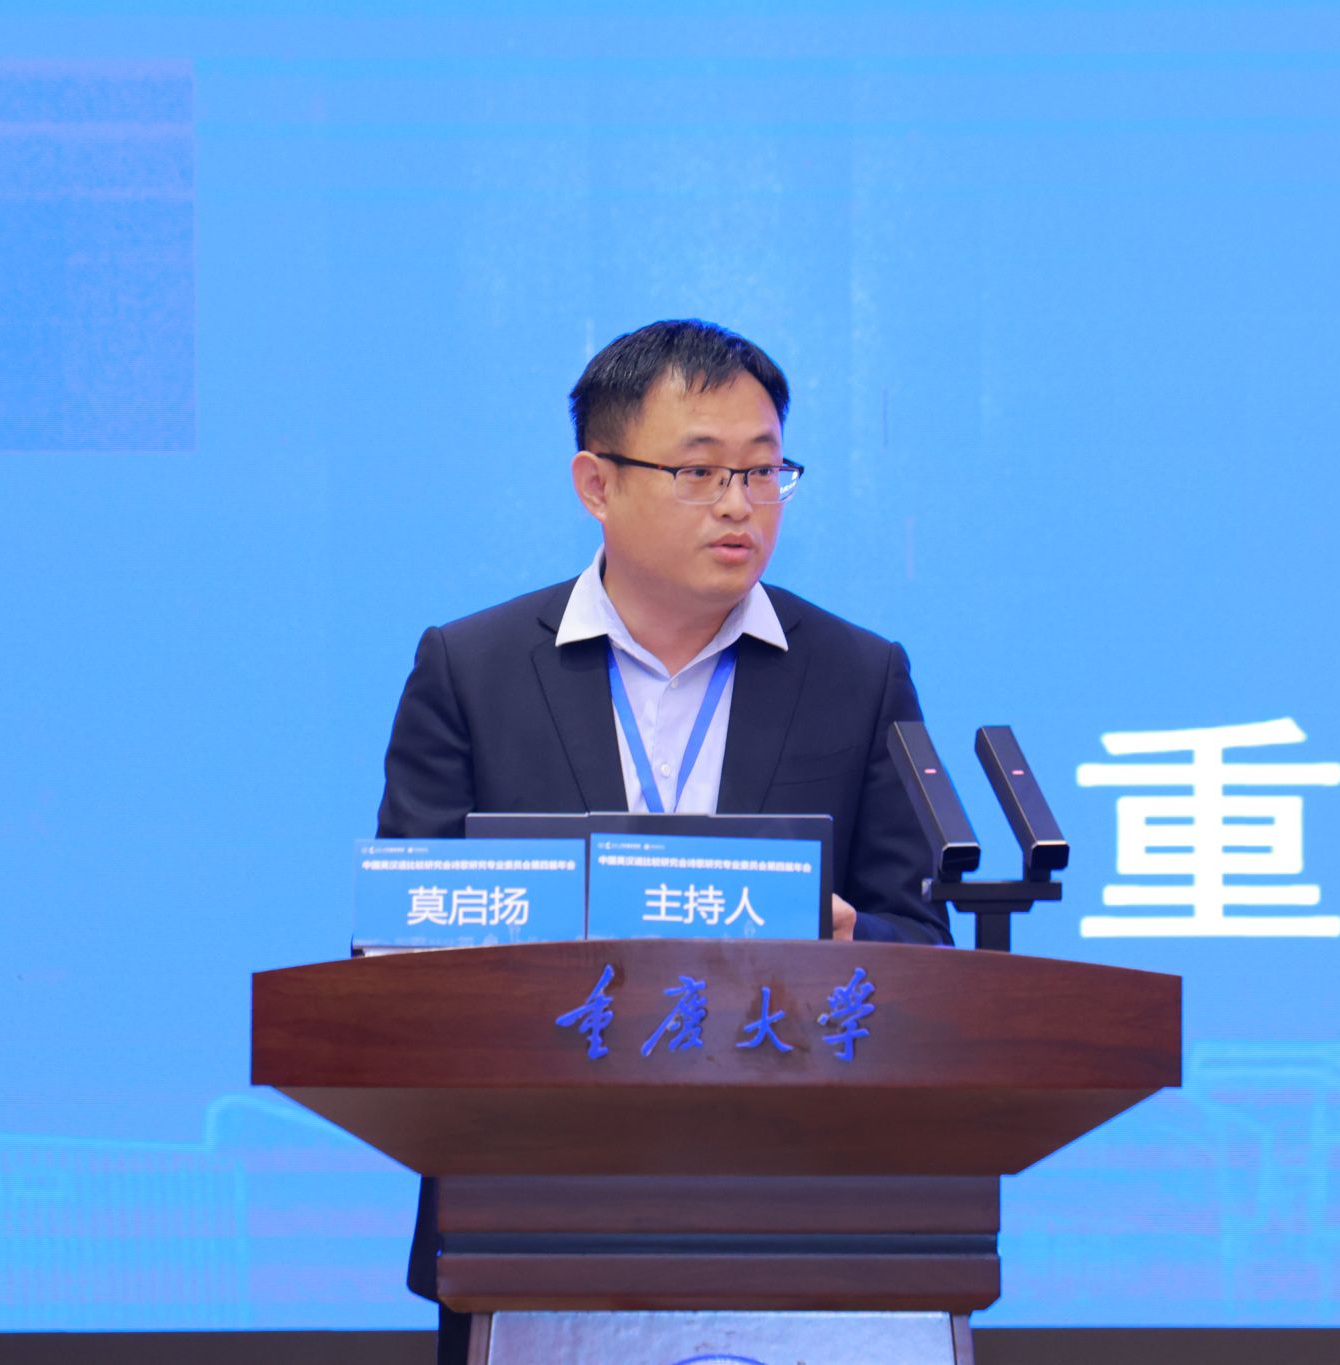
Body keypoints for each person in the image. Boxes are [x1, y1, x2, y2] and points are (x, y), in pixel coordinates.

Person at [372, 318, 951, 1358]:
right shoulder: (472, 670)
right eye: (699, 471)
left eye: (763, 471)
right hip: (533, 1217)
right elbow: (405, 942)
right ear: (595, 483)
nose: (739, 504)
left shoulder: (857, 675)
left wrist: (846, 936)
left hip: (805, 1212)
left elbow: (924, 945)